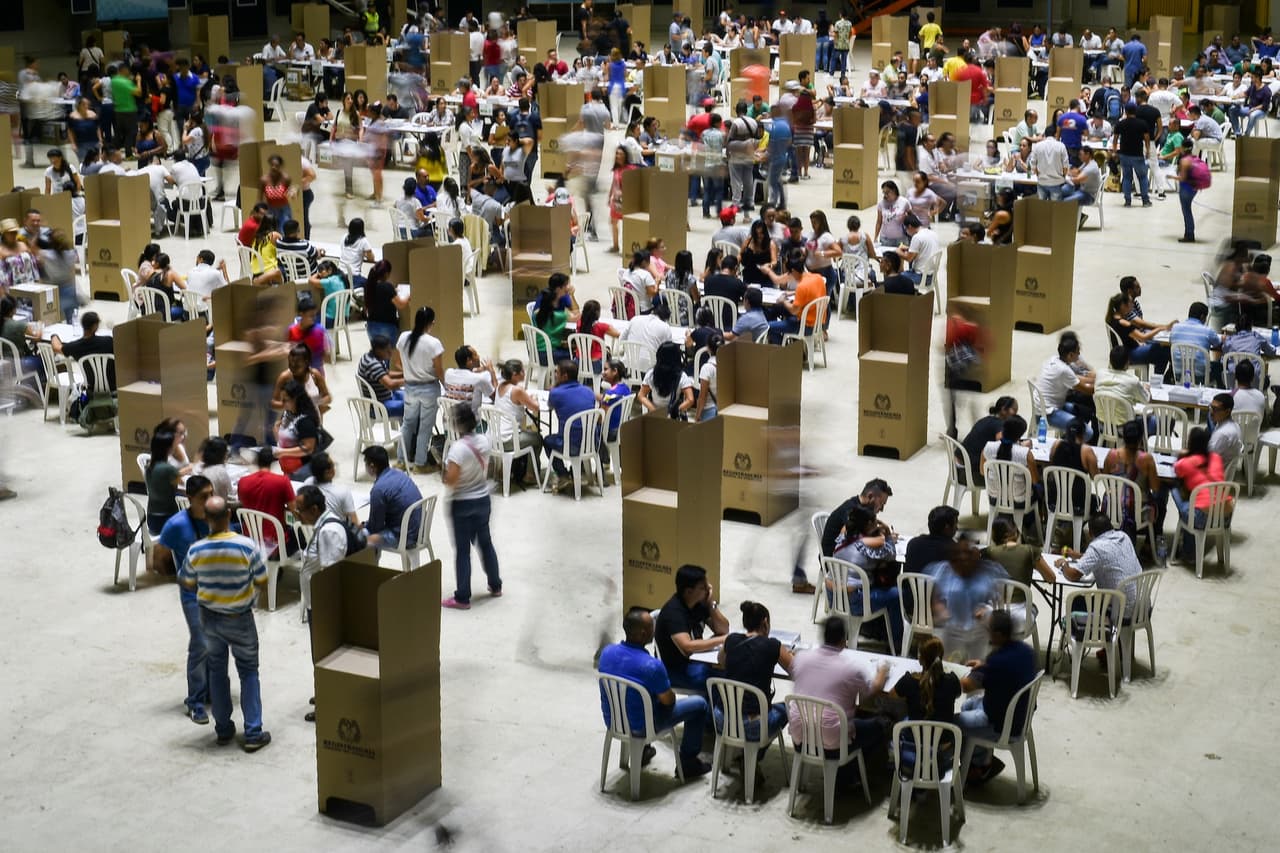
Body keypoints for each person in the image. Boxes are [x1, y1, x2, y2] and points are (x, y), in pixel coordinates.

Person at [178, 496, 270, 752]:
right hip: (240, 618)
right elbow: (262, 580)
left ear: (206, 519)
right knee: (249, 673)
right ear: (229, 515)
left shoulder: (196, 550)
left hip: (209, 618)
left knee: (217, 672)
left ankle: (223, 729)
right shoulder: (247, 546)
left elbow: (186, 581)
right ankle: (253, 732)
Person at [598, 607, 712, 779]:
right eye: (652, 626)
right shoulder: (652, 666)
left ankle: (643, 750)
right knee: (699, 704)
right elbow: (668, 702)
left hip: (614, 721)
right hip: (644, 726)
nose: (655, 630)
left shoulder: (607, 654)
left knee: (640, 700)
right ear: (644, 633)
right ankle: (688, 762)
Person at [153, 475, 214, 724]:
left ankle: (210, 690)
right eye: (203, 497)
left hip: (217, 591)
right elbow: (158, 556)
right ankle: (195, 701)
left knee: (215, 642)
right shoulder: (176, 525)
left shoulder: (216, 518)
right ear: (189, 498)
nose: (209, 501)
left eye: (212, 495)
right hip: (192, 594)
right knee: (199, 643)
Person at [789, 616, 889, 764]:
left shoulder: (801, 658)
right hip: (833, 745)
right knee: (883, 724)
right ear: (844, 640)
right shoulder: (851, 669)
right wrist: (883, 669)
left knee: (849, 717)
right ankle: (854, 773)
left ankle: (846, 773)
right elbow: (870, 691)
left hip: (800, 738)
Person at [956, 609, 1036, 784]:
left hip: (1001, 724)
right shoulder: (1024, 651)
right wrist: (983, 665)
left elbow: (966, 686)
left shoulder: (997, 662)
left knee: (952, 723)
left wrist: (952, 672)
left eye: (989, 629)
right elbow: (1001, 671)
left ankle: (977, 767)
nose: (986, 632)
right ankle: (981, 757)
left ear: (998, 634)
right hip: (1019, 714)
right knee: (967, 706)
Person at [439, 405, 501, 611]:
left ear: (457, 424)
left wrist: (444, 473)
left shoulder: (457, 449)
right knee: (486, 544)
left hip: (462, 503)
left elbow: (451, 481)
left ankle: (462, 597)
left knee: (463, 551)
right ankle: (495, 584)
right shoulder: (484, 440)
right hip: (483, 499)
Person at [714, 600, 794, 757]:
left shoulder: (731, 640)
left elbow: (721, 660)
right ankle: (754, 756)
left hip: (722, 719)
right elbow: (795, 670)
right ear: (765, 622)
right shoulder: (772, 645)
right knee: (788, 707)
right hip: (751, 724)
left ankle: (744, 756)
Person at [655, 564, 730, 692]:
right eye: (703, 587)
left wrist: (711, 604)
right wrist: (723, 640)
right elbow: (687, 648)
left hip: (696, 661)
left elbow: (723, 630)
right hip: (676, 670)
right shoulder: (674, 612)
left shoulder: (698, 605)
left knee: (733, 669)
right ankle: (715, 711)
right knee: (723, 681)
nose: (708, 590)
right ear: (689, 591)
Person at [397, 306, 445, 473]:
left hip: (409, 387)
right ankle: (420, 463)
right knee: (425, 427)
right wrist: (447, 386)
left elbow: (397, 363)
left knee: (407, 424)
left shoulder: (403, 338)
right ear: (431, 323)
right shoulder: (434, 343)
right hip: (429, 388)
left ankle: (401, 460)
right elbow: (439, 371)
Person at [1171, 427, 1229, 562]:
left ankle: (1189, 551)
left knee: (1174, 490)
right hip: (1225, 514)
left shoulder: (1186, 463)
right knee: (1191, 502)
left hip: (1201, 517)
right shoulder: (1216, 458)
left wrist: (1182, 454)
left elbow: (1177, 470)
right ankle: (1188, 544)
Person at [544, 359, 599, 489]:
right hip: (592, 443)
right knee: (577, 430)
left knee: (547, 440)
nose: (555, 375)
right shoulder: (588, 391)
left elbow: (549, 406)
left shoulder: (556, 393)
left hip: (571, 446)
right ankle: (580, 470)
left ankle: (563, 475)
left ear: (564, 376)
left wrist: (555, 385)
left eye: (557, 373)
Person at [235, 448, 296, 555]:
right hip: (275, 540)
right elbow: (294, 509)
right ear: (273, 463)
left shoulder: (243, 481)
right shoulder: (282, 481)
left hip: (249, 538)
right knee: (298, 533)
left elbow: (242, 503)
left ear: (257, 462)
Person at [363, 445, 424, 549]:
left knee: (361, 538)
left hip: (405, 536)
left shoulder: (378, 489)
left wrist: (363, 525)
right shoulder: (400, 474)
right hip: (420, 528)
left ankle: (369, 565)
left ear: (372, 466)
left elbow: (375, 527)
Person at [1036, 335, 1096, 438]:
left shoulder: (1054, 360)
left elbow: (1075, 378)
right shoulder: (1064, 370)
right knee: (1087, 432)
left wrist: (1096, 379)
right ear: (1070, 355)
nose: (1079, 354)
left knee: (1085, 413)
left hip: (1044, 405)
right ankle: (1070, 446)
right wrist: (1104, 385)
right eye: (1078, 351)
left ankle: (1070, 436)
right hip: (1048, 413)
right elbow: (1087, 390)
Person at [272, 343, 331, 420]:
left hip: (313, 423)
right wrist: (288, 404)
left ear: (306, 362)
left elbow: (328, 397)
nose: (292, 367)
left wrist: (316, 402)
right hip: (292, 425)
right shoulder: (285, 377)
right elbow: (273, 403)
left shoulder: (314, 375)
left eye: (297, 366)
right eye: (290, 364)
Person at [638, 341, 695, 419]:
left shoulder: (651, 374)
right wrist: (677, 410)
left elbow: (641, 395)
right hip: (673, 417)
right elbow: (690, 399)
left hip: (655, 415)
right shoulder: (682, 376)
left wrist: (653, 409)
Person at [358, 335, 404, 418]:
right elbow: (390, 384)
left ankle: (410, 429)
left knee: (413, 397)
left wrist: (404, 374)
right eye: (387, 350)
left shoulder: (370, 356)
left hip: (385, 397)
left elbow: (386, 373)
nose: (391, 353)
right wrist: (410, 379)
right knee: (414, 407)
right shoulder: (373, 364)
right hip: (379, 406)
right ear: (378, 350)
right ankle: (413, 430)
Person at [1030, 125, 1070, 200]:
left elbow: (1033, 165)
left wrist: (1039, 175)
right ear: (1055, 134)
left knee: (1042, 208)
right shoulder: (1061, 146)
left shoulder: (1037, 146)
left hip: (1042, 182)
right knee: (1054, 209)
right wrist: (1063, 177)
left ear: (1045, 134)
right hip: (1057, 182)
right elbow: (1065, 166)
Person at [1172, 138, 1201, 243]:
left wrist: (1172, 177)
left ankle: (1189, 234)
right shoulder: (1194, 157)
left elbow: (1182, 176)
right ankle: (1188, 233)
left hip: (1186, 188)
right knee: (1188, 210)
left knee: (1187, 211)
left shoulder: (1183, 159)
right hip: (1194, 187)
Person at [1207, 393, 1244, 471]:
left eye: (1215, 409)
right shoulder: (1234, 425)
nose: (1211, 412)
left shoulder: (1222, 434)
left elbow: (1208, 457)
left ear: (1227, 411)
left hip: (1214, 475)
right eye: (1211, 407)